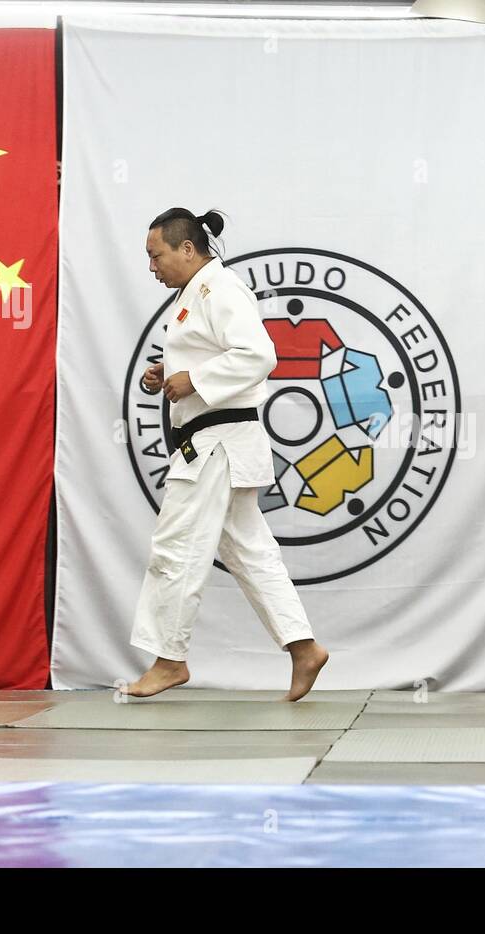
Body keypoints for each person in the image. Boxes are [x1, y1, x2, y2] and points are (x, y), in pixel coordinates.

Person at [127, 206, 329, 701]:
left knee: (176, 546)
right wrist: (169, 372)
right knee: (249, 551)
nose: (152, 266)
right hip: (219, 440)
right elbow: (211, 356)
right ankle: (304, 648)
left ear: (187, 249)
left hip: (216, 442)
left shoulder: (221, 289)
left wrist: (192, 379)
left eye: (157, 256)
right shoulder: (194, 296)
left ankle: (169, 659)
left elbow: (259, 356)